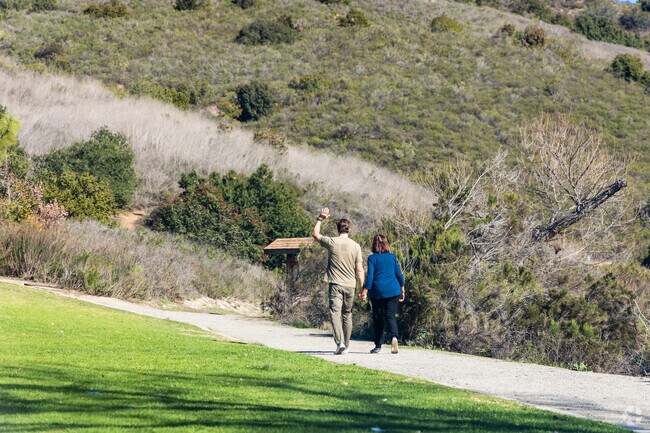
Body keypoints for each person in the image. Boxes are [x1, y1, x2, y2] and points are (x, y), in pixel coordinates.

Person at [312, 207, 364, 355]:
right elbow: (359, 270)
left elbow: (315, 234)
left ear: (337, 229)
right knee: (347, 314)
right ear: (350, 229)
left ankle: (339, 342)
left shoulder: (332, 242)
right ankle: (346, 346)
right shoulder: (356, 246)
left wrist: (320, 219)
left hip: (336, 283)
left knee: (335, 313)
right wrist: (362, 288)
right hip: (350, 285)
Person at [359, 234, 405, 354]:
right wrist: (402, 289)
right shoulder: (392, 257)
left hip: (377, 292)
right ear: (386, 244)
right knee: (390, 316)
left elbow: (370, 277)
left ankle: (378, 345)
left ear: (374, 245)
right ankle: (394, 337)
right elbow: (399, 275)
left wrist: (364, 291)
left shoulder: (372, 258)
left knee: (378, 318)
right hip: (393, 290)